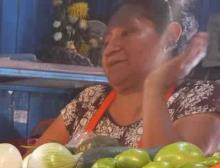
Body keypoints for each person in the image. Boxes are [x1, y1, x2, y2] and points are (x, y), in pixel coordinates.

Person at [38, 0, 219, 152]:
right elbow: (32, 167)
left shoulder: (201, 97)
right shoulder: (89, 100)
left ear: (170, 36)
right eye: (106, 41)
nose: (111, 49)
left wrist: (154, 88)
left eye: (127, 33)